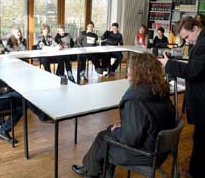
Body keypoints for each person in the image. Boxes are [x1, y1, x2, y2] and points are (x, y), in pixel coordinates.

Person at [72, 53, 175, 178]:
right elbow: (148, 120)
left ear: (138, 72)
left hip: (145, 154)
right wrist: (124, 126)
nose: (128, 70)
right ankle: (93, 170)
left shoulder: (135, 101)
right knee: (107, 133)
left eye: (130, 67)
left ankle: (91, 172)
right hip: (160, 149)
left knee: (104, 139)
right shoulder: (159, 91)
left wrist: (117, 131)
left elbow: (130, 139)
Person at [159, 16, 205, 178]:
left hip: (203, 100)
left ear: (195, 29)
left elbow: (193, 70)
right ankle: (195, 167)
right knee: (199, 137)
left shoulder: (203, 44)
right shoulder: (199, 42)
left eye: (187, 37)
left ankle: (195, 172)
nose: (187, 41)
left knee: (200, 138)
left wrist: (169, 64)